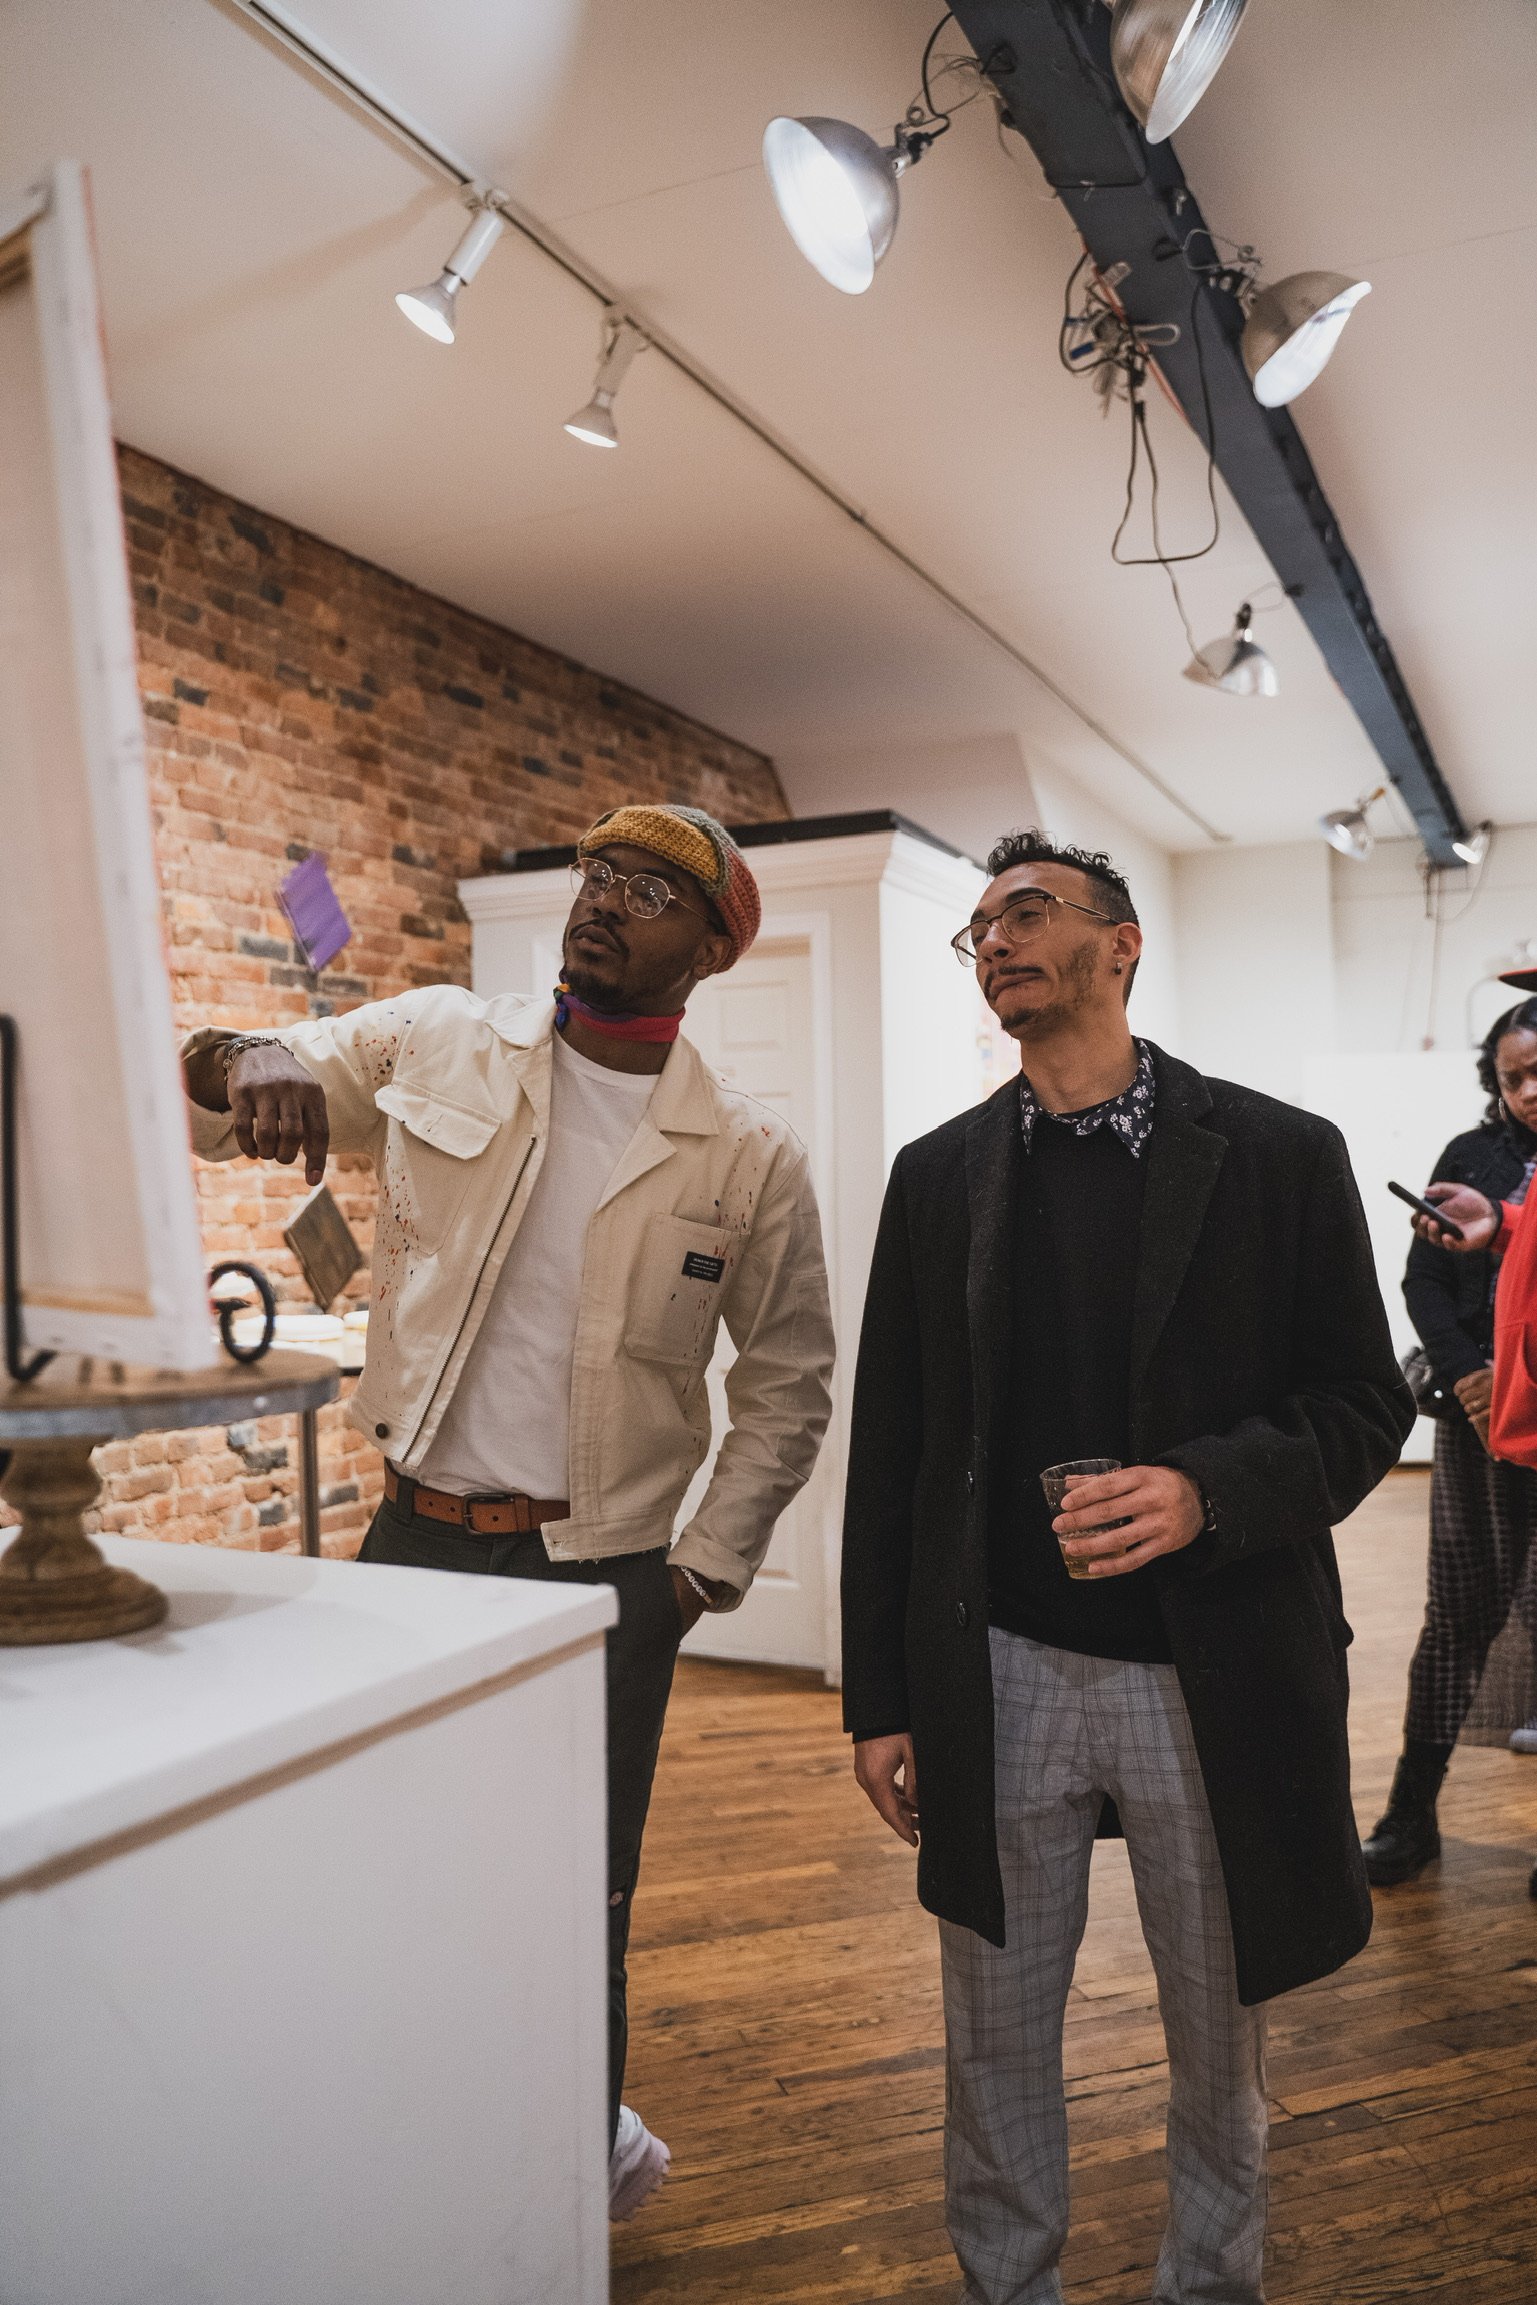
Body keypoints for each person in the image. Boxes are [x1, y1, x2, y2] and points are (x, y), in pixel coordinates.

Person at [181, 803, 835, 2220]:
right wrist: (253, 1054)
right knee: (374, 1862)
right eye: (600, 871)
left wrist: (698, 1577)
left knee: (572, 1901)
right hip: (412, 1545)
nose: (605, 898)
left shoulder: (745, 1155)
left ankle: (549, 2196)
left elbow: (788, 1387)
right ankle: (391, 2154)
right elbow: (219, 1091)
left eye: (653, 890)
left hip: (602, 1571)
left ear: (711, 952)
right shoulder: (435, 1041)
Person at [841, 828, 1413, 2305]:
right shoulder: (937, 1177)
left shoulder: (1281, 1154)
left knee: (1221, 2035)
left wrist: (1204, 1492)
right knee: (995, 2030)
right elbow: (895, 1453)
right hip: (1004, 1667)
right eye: (976, 930)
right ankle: (1004, 2282)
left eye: (1028, 912)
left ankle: (1209, 2284)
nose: (997, 942)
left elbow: (1365, 1404)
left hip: (1209, 1671)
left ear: (1121, 941)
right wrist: (878, 1695)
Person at [1363, 997, 1537, 1887]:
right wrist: (1469, 1374)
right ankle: (1408, 1812)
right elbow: (1424, 1276)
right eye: (1512, 1077)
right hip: (1480, 1425)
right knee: (1458, 1610)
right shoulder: (1470, 1158)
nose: (1529, 1091)